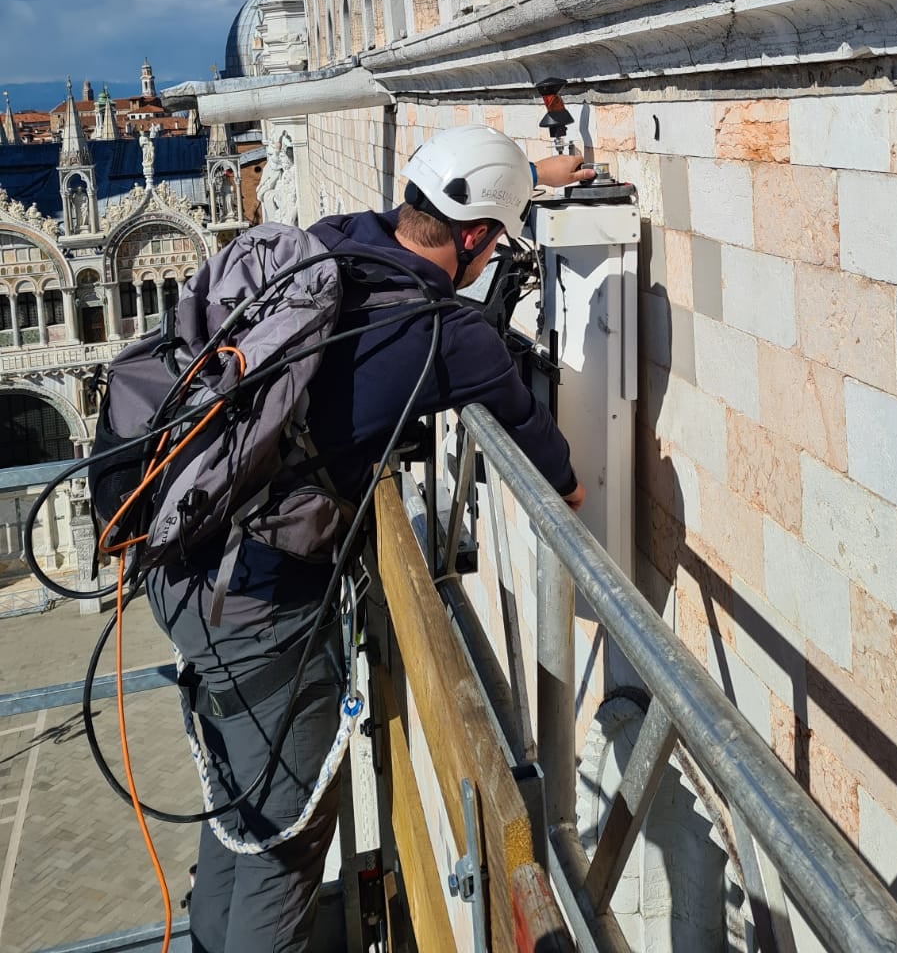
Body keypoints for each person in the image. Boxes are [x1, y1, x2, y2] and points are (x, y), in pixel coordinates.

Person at [146, 127, 592, 953]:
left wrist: (526, 176)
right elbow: (558, 470)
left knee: (239, 806)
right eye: (492, 247)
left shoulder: (336, 238)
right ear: (472, 240)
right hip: (261, 609)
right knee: (284, 843)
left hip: (188, 561)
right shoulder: (452, 335)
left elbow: (448, 205)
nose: (491, 262)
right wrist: (570, 487)